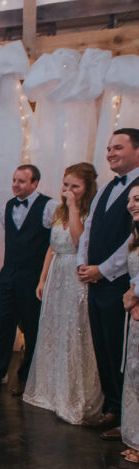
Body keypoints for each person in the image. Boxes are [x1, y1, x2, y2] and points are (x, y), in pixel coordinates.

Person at [23, 163, 103, 424]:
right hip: (57, 272)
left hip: (76, 274)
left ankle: (73, 393)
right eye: (65, 184)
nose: (68, 190)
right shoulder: (58, 210)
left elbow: (81, 243)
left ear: (86, 188)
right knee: (53, 329)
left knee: (74, 330)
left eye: (74, 186)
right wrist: (43, 278)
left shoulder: (89, 211)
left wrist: (74, 208)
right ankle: (50, 389)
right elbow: (52, 247)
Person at [0, 165, 55, 396]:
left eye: (22, 181)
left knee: (32, 328)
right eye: (14, 180)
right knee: (1, 327)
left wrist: (45, 277)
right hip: (9, 274)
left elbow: (55, 242)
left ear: (35, 183)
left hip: (33, 276)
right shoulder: (8, 205)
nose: (16, 184)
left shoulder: (49, 206)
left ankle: (27, 378)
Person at [77, 128, 139, 439]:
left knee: (122, 350)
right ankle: (112, 408)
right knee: (102, 345)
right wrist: (82, 264)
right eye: (108, 148)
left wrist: (103, 269)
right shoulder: (105, 189)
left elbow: (134, 239)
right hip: (95, 280)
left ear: (137, 151)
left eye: (118, 147)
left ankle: (127, 416)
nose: (110, 153)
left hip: (124, 283)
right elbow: (88, 227)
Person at [110, 186, 139, 469]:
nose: (131, 205)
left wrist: (134, 295)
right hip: (135, 315)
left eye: (138, 199)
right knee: (134, 374)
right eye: (130, 200)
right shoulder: (136, 234)